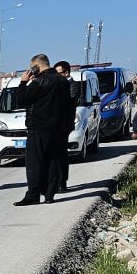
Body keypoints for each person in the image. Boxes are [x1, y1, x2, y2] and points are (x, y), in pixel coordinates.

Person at [13, 53, 72, 205]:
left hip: (39, 127)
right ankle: (49, 194)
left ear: (37, 66)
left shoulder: (40, 81)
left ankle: (33, 195)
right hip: (58, 128)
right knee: (54, 161)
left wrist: (23, 83)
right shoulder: (63, 81)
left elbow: (20, 100)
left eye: (32, 68)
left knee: (35, 162)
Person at [53, 60, 81, 192]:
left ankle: (62, 182)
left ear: (66, 72)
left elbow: (69, 101)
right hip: (55, 124)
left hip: (64, 124)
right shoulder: (58, 85)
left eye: (58, 73)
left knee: (61, 155)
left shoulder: (73, 85)